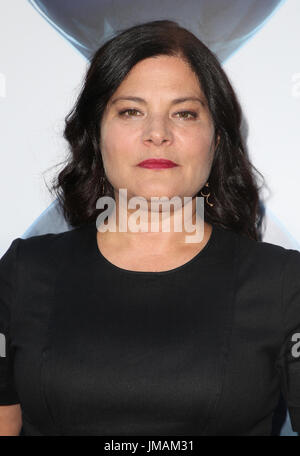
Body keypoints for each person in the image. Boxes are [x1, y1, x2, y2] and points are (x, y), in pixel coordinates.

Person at [0, 20, 299, 436]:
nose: (157, 133)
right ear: (95, 134)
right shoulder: (23, 272)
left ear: (216, 140)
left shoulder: (282, 282)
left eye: (184, 113)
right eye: (131, 111)